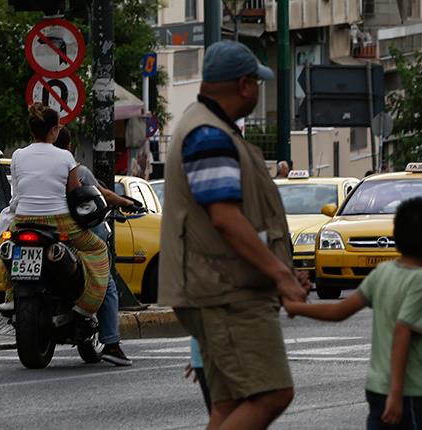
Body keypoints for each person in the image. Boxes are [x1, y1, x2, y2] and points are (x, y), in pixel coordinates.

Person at [158, 40, 309, 429]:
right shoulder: (210, 136)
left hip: (217, 287)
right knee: (273, 393)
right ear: (244, 85)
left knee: (228, 406)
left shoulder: (206, 127)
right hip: (227, 292)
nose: (258, 92)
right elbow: (225, 217)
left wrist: (282, 269)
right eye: (257, 84)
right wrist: (278, 274)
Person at [283, 197, 422, 430]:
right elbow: (403, 331)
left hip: (378, 388)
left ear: (396, 237)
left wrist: (296, 307)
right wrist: (397, 392)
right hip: (411, 391)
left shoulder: (383, 273)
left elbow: (340, 311)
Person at [0, 104, 110, 332]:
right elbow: (75, 194)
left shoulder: (18, 156)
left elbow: (17, 193)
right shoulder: (65, 157)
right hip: (58, 222)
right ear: (53, 131)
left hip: (23, 220)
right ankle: (85, 307)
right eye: (58, 126)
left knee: (7, 247)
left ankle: (10, 297)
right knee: (98, 249)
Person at [54, 127, 137, 366]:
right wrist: (126, 202)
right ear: (68, 146)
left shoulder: (24, 159)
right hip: (70, 229)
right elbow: (100, 194)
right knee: (106, 279)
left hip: (31, 224)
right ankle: (111, 342)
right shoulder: (73, 167)